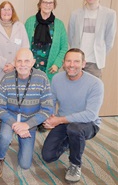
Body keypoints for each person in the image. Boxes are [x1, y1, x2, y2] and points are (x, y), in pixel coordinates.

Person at [41, 48, 104, 183]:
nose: (71, 65)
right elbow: (51, 100)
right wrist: (51, 117)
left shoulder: (95, 84)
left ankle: (75, 164)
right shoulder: (57, 79)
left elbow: (90, 115)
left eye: (76, 61)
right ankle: (71, 141)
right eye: (68, 61)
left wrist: (59, 120)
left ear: (83, 64)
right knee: (48, 156)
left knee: (74, 129)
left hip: (87, 124)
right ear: (64, 63)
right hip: (63, 121)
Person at [0, 48, 53, 177]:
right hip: (10, 117)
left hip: (30, 120)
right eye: (19, 61)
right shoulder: (6, 78)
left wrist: (27, 125)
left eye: (26, 61)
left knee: (25, 165)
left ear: (33, 62)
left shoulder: (42, 78)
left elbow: (48, 108)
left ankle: (23, 145)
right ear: (14, 62)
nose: (23, 64)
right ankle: (0, 158)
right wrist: (15, 124)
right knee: (4, 137)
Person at [68, 0, 117, 78]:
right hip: (77, 62)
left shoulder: (109, 14)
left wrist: (99, 53)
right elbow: (71, 36)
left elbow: (109, 41)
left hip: (95, 63)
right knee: (74, 91)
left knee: (92, 92)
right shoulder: (75, 14)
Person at [0, 1, 29, 93]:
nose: (6, 12)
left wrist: (13, 64)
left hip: (17, 69)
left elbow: (25, 48)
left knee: (15, 100)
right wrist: (4, 64)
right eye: (3, 9)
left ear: (12, 11)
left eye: (9, 9)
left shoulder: (20, 27)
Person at [25, 0, 68, 82]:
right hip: (30, 68)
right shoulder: (30, 22)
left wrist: (57, 64)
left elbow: (64, 47)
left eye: (50, 3)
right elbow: (23, 45)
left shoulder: (59, 25)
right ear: (40, 4)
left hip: (50, 68)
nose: (47, 5)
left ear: (54, 6)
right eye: (44, 2)